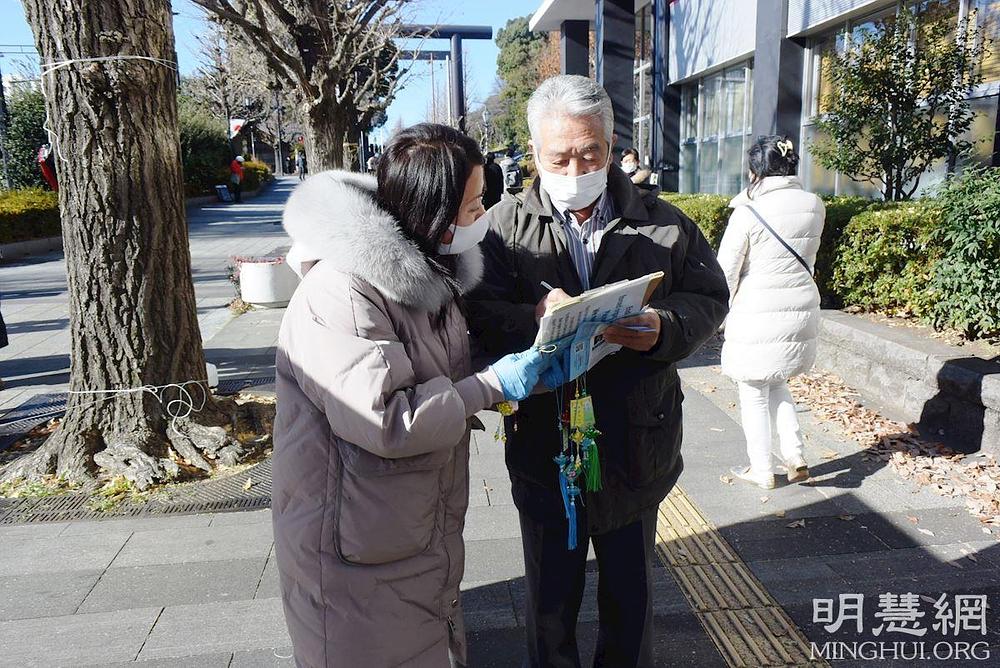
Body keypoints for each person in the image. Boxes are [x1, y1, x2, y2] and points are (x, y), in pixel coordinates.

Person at [467, 75, 729, 667]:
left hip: (638, 439)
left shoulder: (665, 224)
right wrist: (532, 316)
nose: (576, 169)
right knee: (549, 602)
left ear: (611, 146)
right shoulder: (501, 229)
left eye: (590, 153)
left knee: (630, 599)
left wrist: (664, 326)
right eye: (559, 157)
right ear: (534, 153)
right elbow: (476, 314)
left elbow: (710, 297)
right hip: (545, 441)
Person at [272, 122, 552, 668]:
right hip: (355, 547)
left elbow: (437, 367)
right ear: (433, 212)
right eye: (472, 205)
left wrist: (526, 357)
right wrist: (492, 385)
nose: (482, 216)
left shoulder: (426, 276)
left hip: (406, 529)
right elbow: (387, 419)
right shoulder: (343, 291)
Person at [717, 136, 825, 489]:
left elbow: (726, 271)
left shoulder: (748, 212)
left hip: (756, 309)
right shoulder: (814, 205)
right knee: (777, 380)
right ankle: (795, 456)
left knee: (752, 389)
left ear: (756, 171)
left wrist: (718, 314)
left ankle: (761, 468)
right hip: (800, 305)